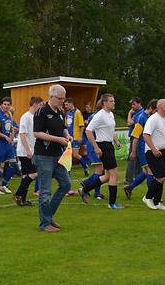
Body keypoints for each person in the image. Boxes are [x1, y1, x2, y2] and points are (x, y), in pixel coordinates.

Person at [33, 84, 72, 233]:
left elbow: (63, 128)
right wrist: (58, 139)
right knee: (45, 191)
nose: (62, 101)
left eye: (63, 98)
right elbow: (37, 133)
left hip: (57, 155)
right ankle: (44, 224)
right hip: (44, 156)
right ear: (51, 96)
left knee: (66, 184)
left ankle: (48, 216)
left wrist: (67, 135)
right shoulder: (42, 111)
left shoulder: (60, 111)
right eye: (59, 98)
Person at [79, 93, 125, 209]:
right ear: (104, 103)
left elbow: (110, 130)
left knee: (107, 176)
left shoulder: (110, 114)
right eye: (111, 101)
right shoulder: (99, 115)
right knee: (114, 174)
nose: (113, 103)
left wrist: (116, 141)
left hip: (109, 145)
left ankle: (85, 189)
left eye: (113, 101)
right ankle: (112, 203)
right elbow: (88, 131)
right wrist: (96, 147)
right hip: (103, 146)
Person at [142, 99, 165, 210]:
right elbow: (146, 135)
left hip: (162, 152)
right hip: (153, 152)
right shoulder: (153, 119)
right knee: (160, 177)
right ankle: (147, 197)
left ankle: (157, 202)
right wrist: (153, 149)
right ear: (160, 106)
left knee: (163, 177)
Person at [124, 99, 157, 199]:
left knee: (146, 172)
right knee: (150, 170)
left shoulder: (147, 117)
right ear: (151, 108)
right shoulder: (141, 118)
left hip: (146, 147)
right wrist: (133, 152)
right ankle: (151, 196)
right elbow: (135, 136)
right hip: (142, 148)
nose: (156, 113)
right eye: (155, 110)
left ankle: (129, 188)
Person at [14, 96, 42, 206]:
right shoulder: (26, 117)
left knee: (26, 176)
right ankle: (18, 194)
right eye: (40, 105)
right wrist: (28, 150)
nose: (41, 107)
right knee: (34, 173)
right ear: (35, 104)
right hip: (24, 151)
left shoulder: (35, 117)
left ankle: (22, 199)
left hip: (31, 150)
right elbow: (22, 134)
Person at [0, 97, 17, 194]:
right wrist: (5, 137)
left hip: (7, 144)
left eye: (8, 104)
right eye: (4, 104)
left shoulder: (9, 114)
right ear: (1, 105)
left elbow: (11, 126)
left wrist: (12, 134)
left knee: (13, 162)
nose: (6, 106)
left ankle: (4, 184)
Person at [125, 97, 144, 185]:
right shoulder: (137, 113)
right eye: (131, 104)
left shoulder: (139, 113)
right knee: (138, 159)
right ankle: (138, 178)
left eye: (134, 104)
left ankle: (129, 179)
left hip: (136, 138)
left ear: (139, 104)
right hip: (138, 138)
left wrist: (129, 113)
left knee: (132, 158)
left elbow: (129, 123)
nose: (132, 106)